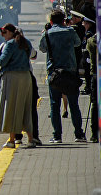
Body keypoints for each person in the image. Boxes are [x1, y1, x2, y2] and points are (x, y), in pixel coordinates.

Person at [39, 9, 87, 143]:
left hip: (54, 73)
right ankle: (79, 134)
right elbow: (77, 43)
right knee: (74, 104)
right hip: (70, 72)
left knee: (54, 105)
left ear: (51, 21)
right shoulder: (70, 31)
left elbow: (42, 48)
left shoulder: (48, 34)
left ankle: (57, 136)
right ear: (64, 20)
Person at [0, 23, 36, 148]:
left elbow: (2, 61)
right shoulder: (26, 42)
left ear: (11, 32)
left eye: (4, 32)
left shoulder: (10, 44)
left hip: (12, 78)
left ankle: (11, 140)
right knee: (25, 108)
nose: (2, 35)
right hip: (26, 77)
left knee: (11, 107)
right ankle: (31, 139)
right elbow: (32, 55)